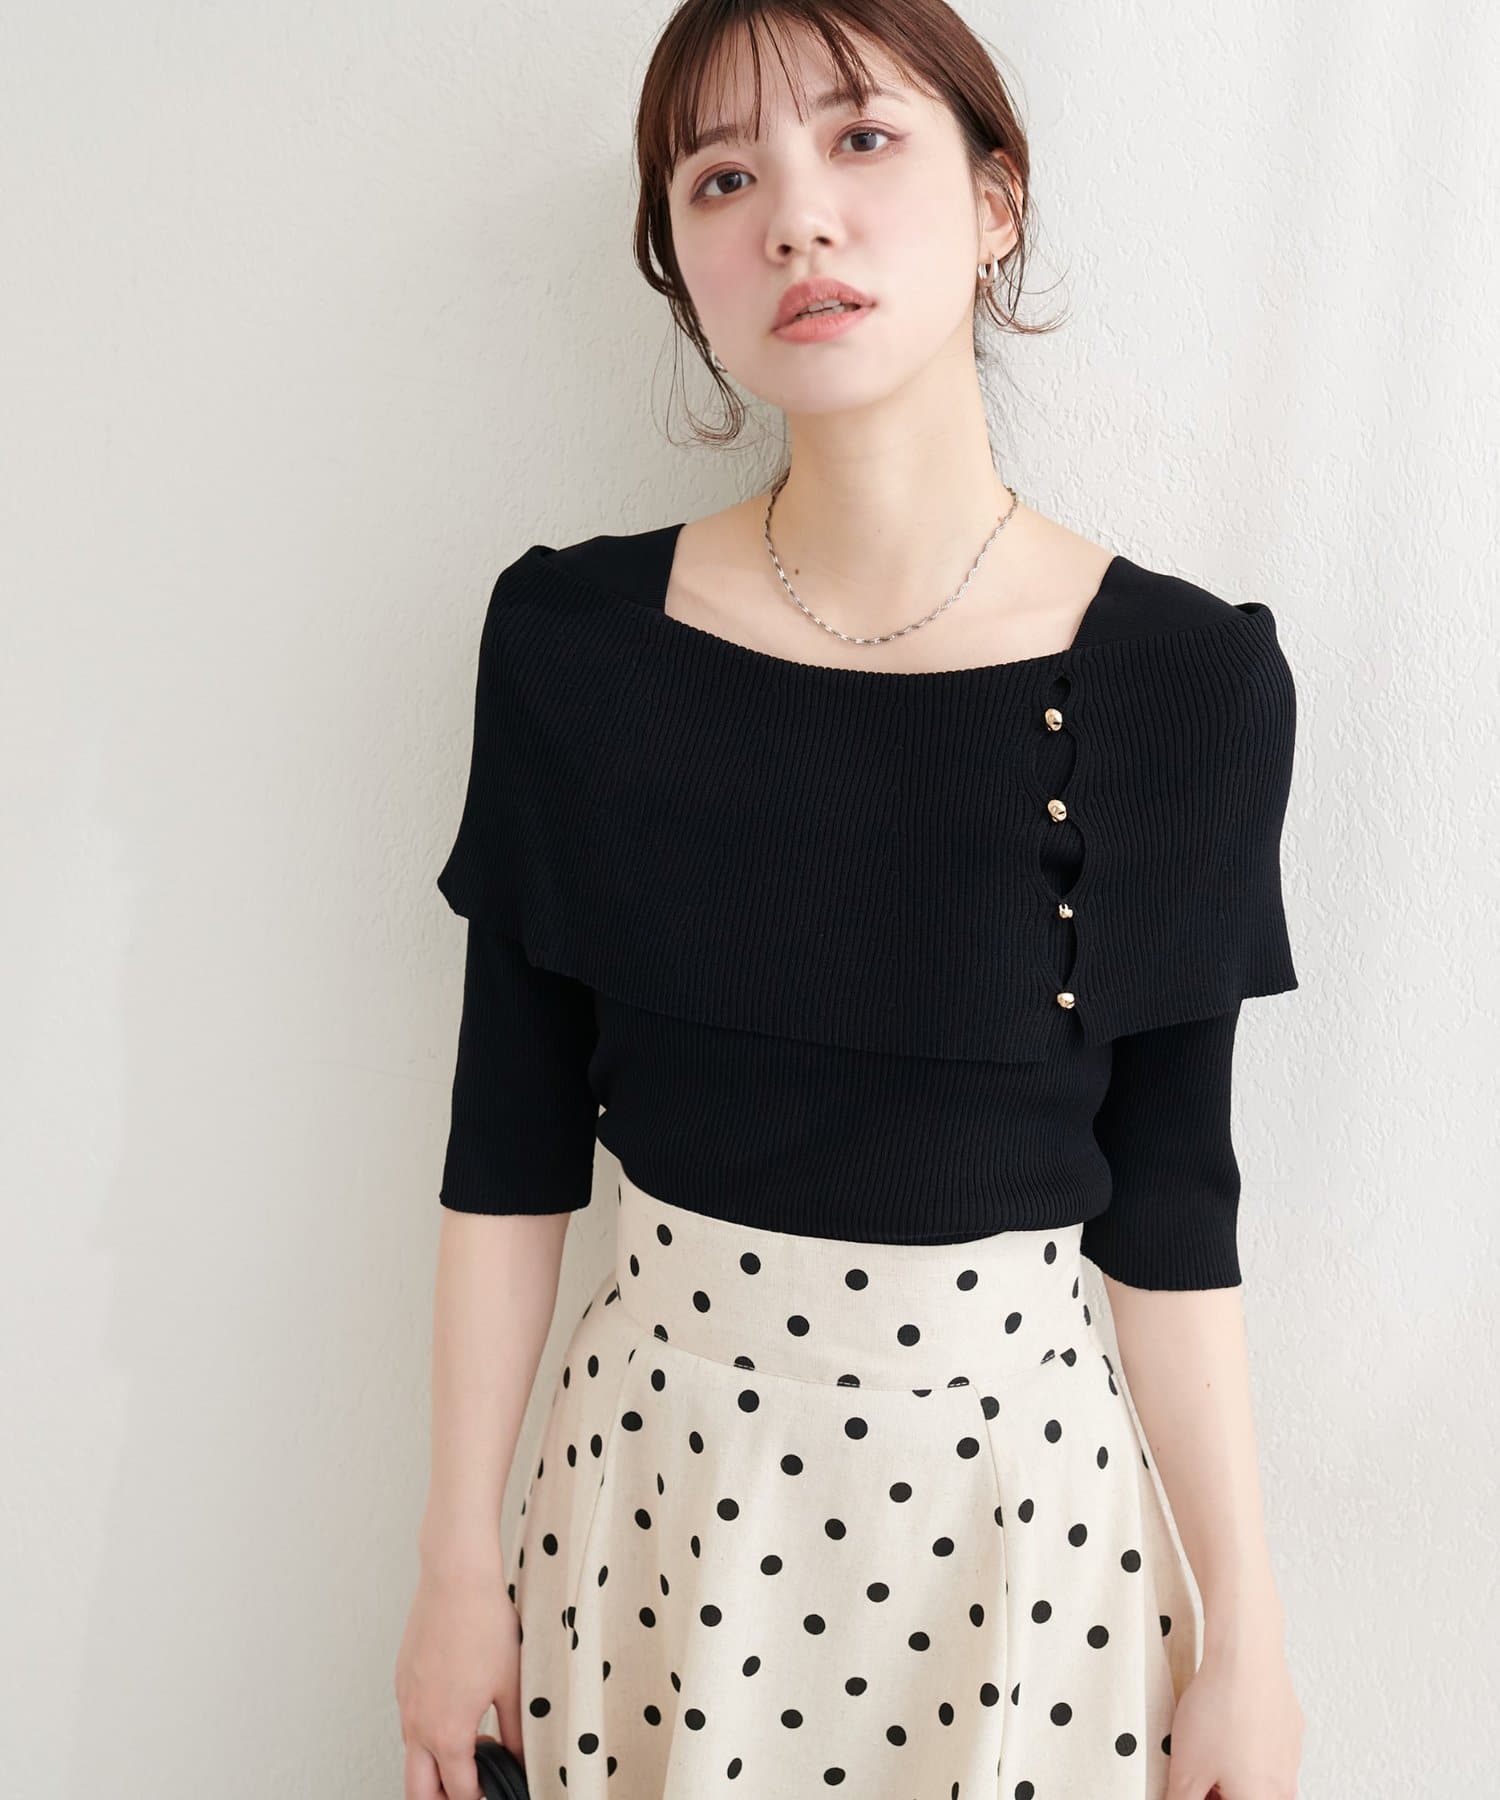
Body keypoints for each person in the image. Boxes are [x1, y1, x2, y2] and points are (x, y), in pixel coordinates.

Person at [395, 4, 1308, 1797]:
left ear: (996, 200)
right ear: (684, 267)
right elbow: (508, 1149)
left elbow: (1174, 1209)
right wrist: (451, 1565)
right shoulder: (575, 644)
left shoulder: (1186, 681)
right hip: (657, 1505)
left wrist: (1250, 1639)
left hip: (1017, 1540)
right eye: (722, 179)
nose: (795, 217)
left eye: (861, 139)